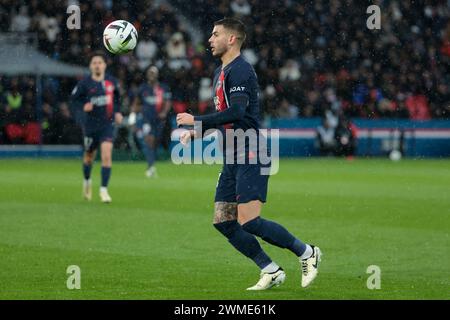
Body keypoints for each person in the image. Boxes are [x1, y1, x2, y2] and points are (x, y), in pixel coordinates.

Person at [176, 18, 321, 290]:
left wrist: (197, 120)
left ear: (231, 39)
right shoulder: (221, 72)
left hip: (251, 151)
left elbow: (238, 112)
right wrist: (197, 132)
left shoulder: (240, 70)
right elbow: (224, 118)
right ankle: (271, 269)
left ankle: (307, 252)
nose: (209, 39)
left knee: (249, 221)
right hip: (232, 155)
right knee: (223, 221)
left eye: (215, 34)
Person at [70, 51, 123, 203]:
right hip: (91, 126)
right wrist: (83, 106)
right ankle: (87, 181)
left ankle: (104, 190)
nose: (97, 65)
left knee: (106, 155)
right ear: (90, 66)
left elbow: (118, 99)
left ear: (105, 65)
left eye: (100, 62)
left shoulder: (112, 82)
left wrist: (118, 112)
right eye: (94, 63)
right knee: (88, 157)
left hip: (107, 124)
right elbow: (73, 101)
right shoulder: (84, 84)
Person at [134, 66, 171, 178]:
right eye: (150, 73)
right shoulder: (143, 88)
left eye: (153, 73)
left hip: (159, 120)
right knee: (149, 140)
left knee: (155, 142)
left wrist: (164, 112)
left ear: (157, 74)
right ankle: (151, 167)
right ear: (147, 75)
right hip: (146, 119)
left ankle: (151, 164)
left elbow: (168, 102)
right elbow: (136, 103)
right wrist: (137, 112)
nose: (151, 75)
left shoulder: (163, 88)